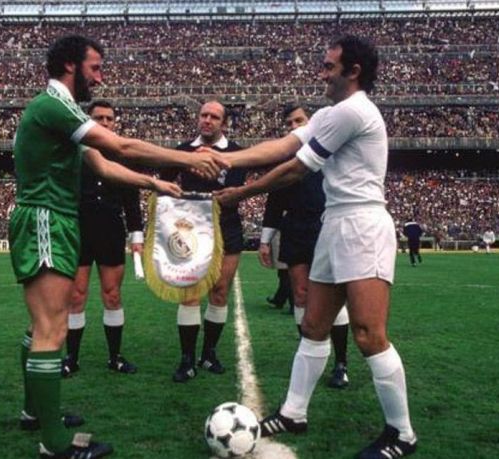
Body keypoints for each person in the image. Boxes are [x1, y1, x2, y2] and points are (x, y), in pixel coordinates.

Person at [10, 35, 226, 459]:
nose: (99, 77)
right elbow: (120, 146)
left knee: (42, 326)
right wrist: (188, 158)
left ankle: (36, 412)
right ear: (70, 65)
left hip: (55, 219)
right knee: (50, 328)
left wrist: (153, 183)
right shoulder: (53, 105)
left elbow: (104, 166)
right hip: (46, 218)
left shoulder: (61, 111)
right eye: (94, 67)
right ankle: (54, 443)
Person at [214, 36, 417, 458]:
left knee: (368, 334)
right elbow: (283, 146)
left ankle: (402, 434)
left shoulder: (354, 111)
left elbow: (295, 168)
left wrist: (242, 192)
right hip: (335, 223)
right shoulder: (329, 113)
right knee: (313, 325)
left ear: (353, 71)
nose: (321, 73)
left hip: (362, 225)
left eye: (328, 66)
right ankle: (294, 412)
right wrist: (228, 159)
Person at [259, 103, 350, 389]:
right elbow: (274, 203)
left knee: (334, 298)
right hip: (295, 229)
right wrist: (265, 240)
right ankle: (308, 356)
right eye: (289, 123)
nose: (294, 126)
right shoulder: (286, 160)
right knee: (299, 294)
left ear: (311, 122)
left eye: (299, 120)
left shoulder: (331, 151)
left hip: (327, 225)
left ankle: (341, 363)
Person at [159, 100, 246, 383]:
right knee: (190, 293)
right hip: (191, 230)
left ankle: (209, 353)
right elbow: (165, 184)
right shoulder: (183, 150)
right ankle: (186, 359)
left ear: (224, 123)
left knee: (219, 293)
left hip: (226, 225)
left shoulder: (236, 153)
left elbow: (234, 186)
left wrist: (211, 167)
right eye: (204, 115)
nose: (207, 120)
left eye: (214, 117)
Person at [61, 101, 143, 378]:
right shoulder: (75, 152)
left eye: (109, 118)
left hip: (111, 229)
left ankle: (115, 357)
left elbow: (132, 200)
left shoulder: (123, 155)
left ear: (115, 122)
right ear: (89, 120)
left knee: (113, 294)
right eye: (99, 118)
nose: (105, 122)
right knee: (76, 296)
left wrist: (136, 235)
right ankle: (72, 358)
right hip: (78, 229)